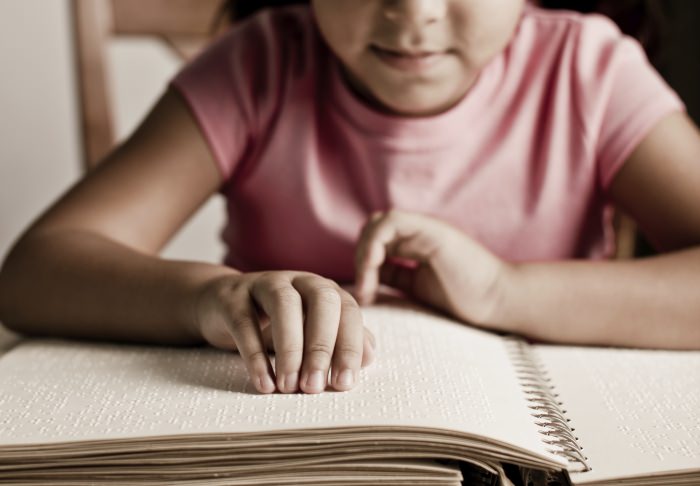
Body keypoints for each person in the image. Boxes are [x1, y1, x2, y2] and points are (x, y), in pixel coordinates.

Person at [1, 0, 699, 396]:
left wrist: (505, 291)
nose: (414, 11)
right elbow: (36, 271)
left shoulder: (589, 72)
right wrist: (212, 298)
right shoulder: (259, 67)